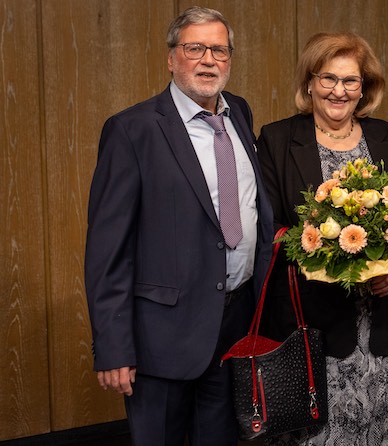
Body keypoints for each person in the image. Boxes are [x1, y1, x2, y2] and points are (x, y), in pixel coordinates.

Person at [84, 7, 274, 446]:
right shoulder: (132, 130)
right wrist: (113, 346)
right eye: (195, 49)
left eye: (219, 50)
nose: (208, 60)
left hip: (236, 324)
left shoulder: (239, 113)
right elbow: (108, 250)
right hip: (163, 338)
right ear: (171, 58)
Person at [255, 32, 388, 445]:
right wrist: (328, 258)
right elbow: (269, 229)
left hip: (376, 322)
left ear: (364, 87)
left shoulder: (386, 137)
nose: (339, 91)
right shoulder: (277, 139)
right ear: (310, 82)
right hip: (311, 322)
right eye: (329, 78)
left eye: (350, 80)